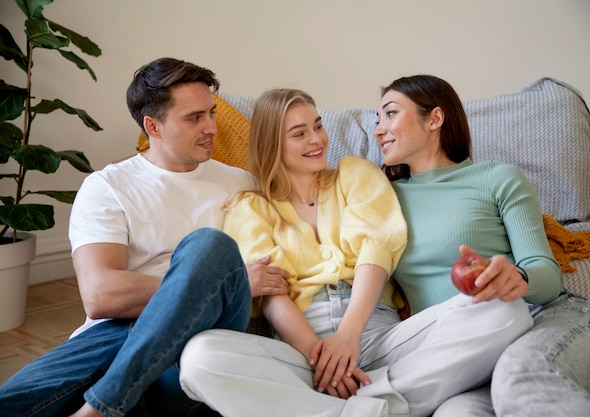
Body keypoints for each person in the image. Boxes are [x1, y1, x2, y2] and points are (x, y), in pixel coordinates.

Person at [178, 88, 533, 417]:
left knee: (507, 310)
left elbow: (376, 250)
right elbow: (272, 293)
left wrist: (348, 336)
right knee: (199, 357)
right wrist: (322, 359)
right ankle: (367, 408)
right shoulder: (249, 208)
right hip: (304, 352)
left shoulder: (355, 174)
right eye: (299, 133)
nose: (317, 139)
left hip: (379, 333)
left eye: (317, 126)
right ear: (273, 144)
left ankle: (357, 406)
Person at [0, 57, 290, 417]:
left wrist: (219, 281)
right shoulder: (107, 187)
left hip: (203, 335)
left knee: (209, 246)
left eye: (211, 113)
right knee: (12, 402)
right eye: (194, 118)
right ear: (153, 126)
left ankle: (100, 408)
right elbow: (100, 295)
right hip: (110, 335)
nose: (212, 127)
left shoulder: (241, 182)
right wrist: (220, 283)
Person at [374, 74, 590, 417]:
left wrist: (517, 278)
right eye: (377, 119)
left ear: (434, 118)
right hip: (465, 356)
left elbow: (547, 277)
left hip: (546, 322)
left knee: (519, 381)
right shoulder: (379, 198)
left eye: (390, 114)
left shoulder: (497, 178)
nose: (378, 130)